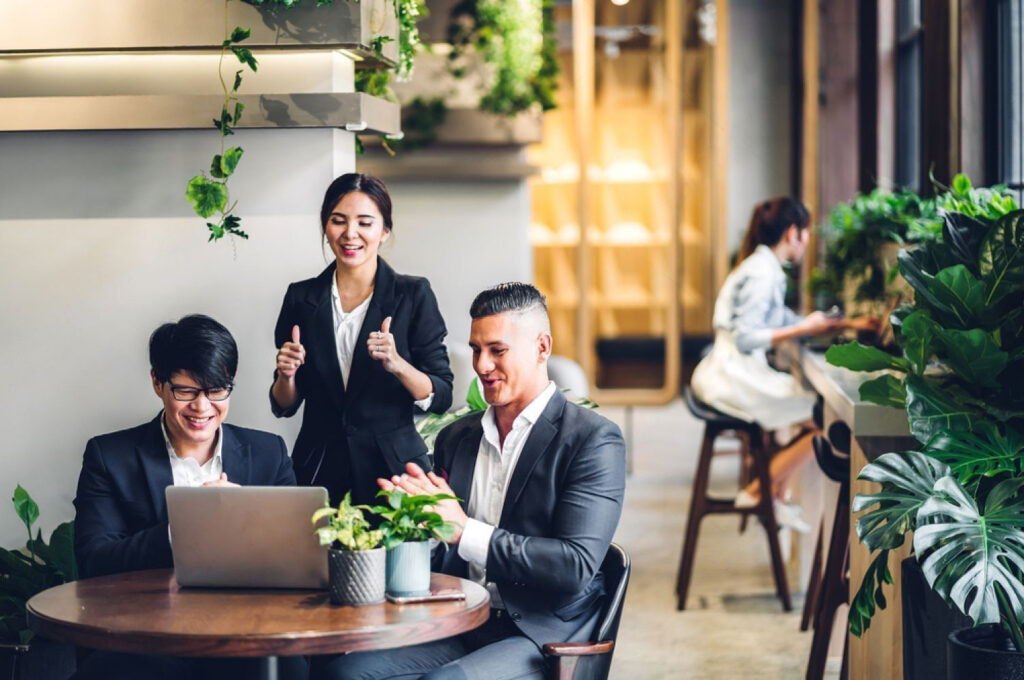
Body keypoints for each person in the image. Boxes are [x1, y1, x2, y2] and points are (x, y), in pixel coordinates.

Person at [312, 283, 626, 680]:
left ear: (542, 347)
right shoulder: (456, 437)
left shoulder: (592, 440)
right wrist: (410, 525)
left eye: (498, 350)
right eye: (477, 350)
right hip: (461, 621)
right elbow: (439, 551)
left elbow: (573, 566)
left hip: (540, 636)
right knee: (343, 671)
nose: (481, 365)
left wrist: (463, 530)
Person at [71, 314, 303, 680]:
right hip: (145, 639)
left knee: (288, 668)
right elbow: (94, 563)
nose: (202, 406)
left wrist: (247, 521)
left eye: (216, 390)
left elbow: (300, 554)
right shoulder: (109, 456)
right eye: (185, 391)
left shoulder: (268, 452)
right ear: (157, 383)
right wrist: (186, 526)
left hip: (249, 636)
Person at [690, 197, 876, 531]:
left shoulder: (760, 265)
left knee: (816, 417)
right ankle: (762, 490)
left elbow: (779, 320)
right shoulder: (764, 272)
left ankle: (774, 492)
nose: (807, 241)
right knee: (826, 419)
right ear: (793, 233)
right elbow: (748, 337)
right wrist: (808, 327)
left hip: (728, 371)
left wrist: (845, 324)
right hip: (734, 375)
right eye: (805, 233)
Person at [270, 173, 454, 506]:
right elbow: (284, 405)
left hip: (394, 473)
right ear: (326, 227)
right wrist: (287, 376)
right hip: (318, 469)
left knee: (395, 559)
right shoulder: (301, 298)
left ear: (384, 231)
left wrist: (398, 366)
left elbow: (441, 395)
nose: (350, 234)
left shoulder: (413, 295)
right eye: (338, 221)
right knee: (315, 558)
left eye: (364, 223)